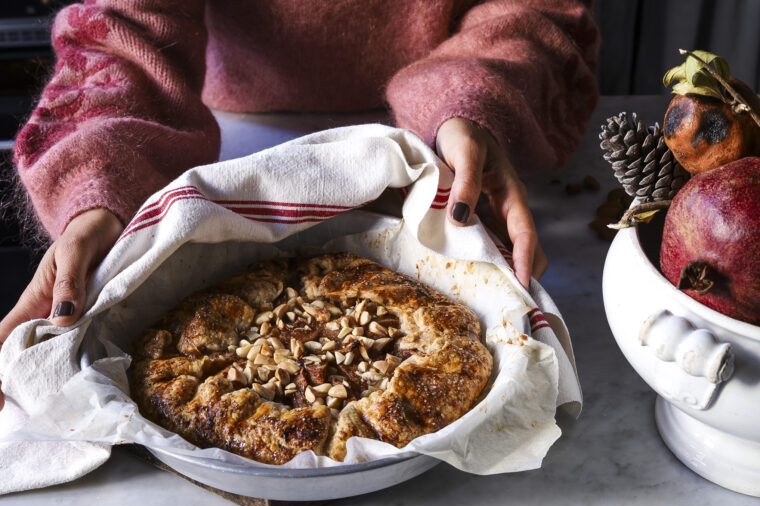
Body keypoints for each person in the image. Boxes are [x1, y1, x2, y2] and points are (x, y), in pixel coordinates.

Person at [0, 0, 599, 345]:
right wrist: (99, 185)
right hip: (220, 144)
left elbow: (531, 10)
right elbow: (121, 34)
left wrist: (473, 98)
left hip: (448, 136)